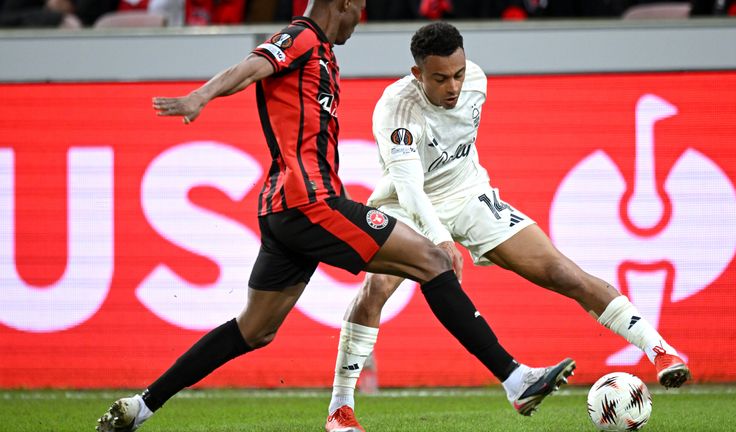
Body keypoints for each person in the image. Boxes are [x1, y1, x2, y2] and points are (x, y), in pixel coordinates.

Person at [95, 2, 574, 431]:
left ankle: (142, 405)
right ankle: (515, 378)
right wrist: (203, 96)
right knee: (433, 259)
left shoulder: (321, 52)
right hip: (311, 203)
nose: (361, 16)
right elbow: (251, 66)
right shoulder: (302, 37)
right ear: (342, 3)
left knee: (254, 329)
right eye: (359, 6)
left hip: (284, 212)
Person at [324, 21, 691, 432]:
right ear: (417, 75)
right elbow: (410, 189)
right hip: (409, 204)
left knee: (560, 271)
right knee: (376, 289)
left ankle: (661, 350)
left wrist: (459, 218)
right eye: (441, 78)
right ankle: (340, 408)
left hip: (469, 194)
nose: (454, 86)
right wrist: (442, 240)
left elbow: (461, 144)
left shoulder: (477, 82)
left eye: (459, 74)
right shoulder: (396, 109)